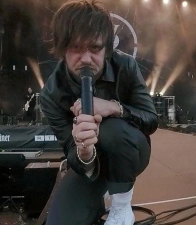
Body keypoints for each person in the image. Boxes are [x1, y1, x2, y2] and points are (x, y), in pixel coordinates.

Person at [39, 1, 158, 224]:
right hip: (91, 165)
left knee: (110, 128)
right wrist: (84, 152)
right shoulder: (51, 93)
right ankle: (101, 190)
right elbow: (69, 148)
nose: (85, 58)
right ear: (62, 48)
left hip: (129, 152)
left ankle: (121, 207)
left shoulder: (126, 66)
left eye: (95, 48)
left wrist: (114, 107)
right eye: (76, 47)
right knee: (60, 221)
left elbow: (151, 120)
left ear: (107, 48)